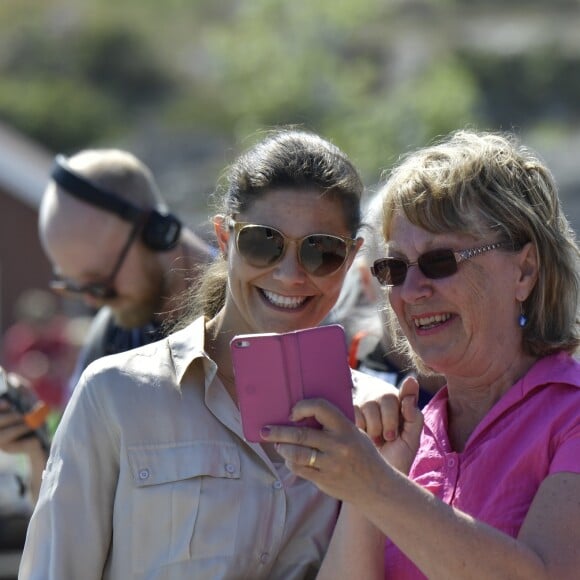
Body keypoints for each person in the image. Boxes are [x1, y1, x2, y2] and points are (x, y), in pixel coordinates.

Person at [19, 129, 403, 579]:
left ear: (353, 256)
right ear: (225, 238)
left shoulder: (373, 422)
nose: (290, 274)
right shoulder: (114, 394)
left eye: (322, 251)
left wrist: (378, 464)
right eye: (264, 242)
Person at [262, 129, 580, 578]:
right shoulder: (411, 436)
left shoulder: (571, 417)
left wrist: (374, 485)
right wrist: (368, 482)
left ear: (524, 271)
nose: (410, 292)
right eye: (394, 268)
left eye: (441, 261)